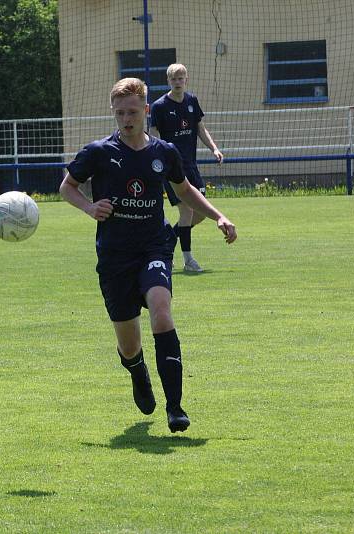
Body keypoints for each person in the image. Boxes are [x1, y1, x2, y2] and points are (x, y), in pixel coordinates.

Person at [59, 78, 237, 432]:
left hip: (155, 246)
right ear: (114, 112)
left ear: (146, 111)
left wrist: (218, 215)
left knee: (160, 310)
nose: (126, 118)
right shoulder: (98, 152)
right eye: (120, 112)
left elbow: (184, 190)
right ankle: (137, 371)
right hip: (114, 256)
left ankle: (175, 407)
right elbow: (67, 186)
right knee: (128, 345)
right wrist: (89, 207)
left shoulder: (164, 153)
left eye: (133, 111)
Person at [149, 63, 224, 272]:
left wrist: (214, 149)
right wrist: (156, 160)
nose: (177, 82)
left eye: (181, 78)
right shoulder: (159, 106)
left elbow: (200, 128)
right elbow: (153, 135)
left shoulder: (192, 101)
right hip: (172, 168)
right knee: (187, 210)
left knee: (200, 213)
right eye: (174, 79)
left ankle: (167, 242)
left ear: (186, 79)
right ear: (168, 81)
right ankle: (189, 260)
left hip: (191, 166)